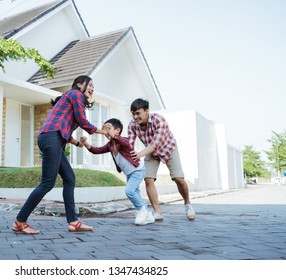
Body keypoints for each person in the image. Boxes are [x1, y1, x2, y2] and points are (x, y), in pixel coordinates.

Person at [12, 75, 108, 234]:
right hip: (51, 138)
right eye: (90, 85)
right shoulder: (75, 94)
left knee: (69, 178)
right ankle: (20, 221)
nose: (92, 88)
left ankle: (73, 222)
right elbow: (83, 121)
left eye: (93, 86)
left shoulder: (69, 99)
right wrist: (103, 132)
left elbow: (63, 128)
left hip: (52, 138)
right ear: (79, 84)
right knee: (47, 183)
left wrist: (77, 143)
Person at [128, 98, 196, 221]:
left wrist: (139, 154)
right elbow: (130, 144)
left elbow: (155, 143)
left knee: (178, 179)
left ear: (146, 111)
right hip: (151, 152)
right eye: (133, 114)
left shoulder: (159, 120)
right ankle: (157, 212)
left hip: (168, 148)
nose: (135, 117)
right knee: (148, 179)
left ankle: (187, 204)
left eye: (138, 113)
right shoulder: (132, 125)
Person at [80, 118, 154, 226]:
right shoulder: (110, 145)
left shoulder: (124, 140)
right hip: (129, 173)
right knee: (135, 192)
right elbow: (96, 150)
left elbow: (123, 142)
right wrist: (85, 143)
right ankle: (148, 215)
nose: (105, 131)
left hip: (137, 170)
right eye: (104, 128)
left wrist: (113, 135)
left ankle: (141, 211)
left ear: (117, 131)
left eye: (109, 128)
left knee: (130, 191)